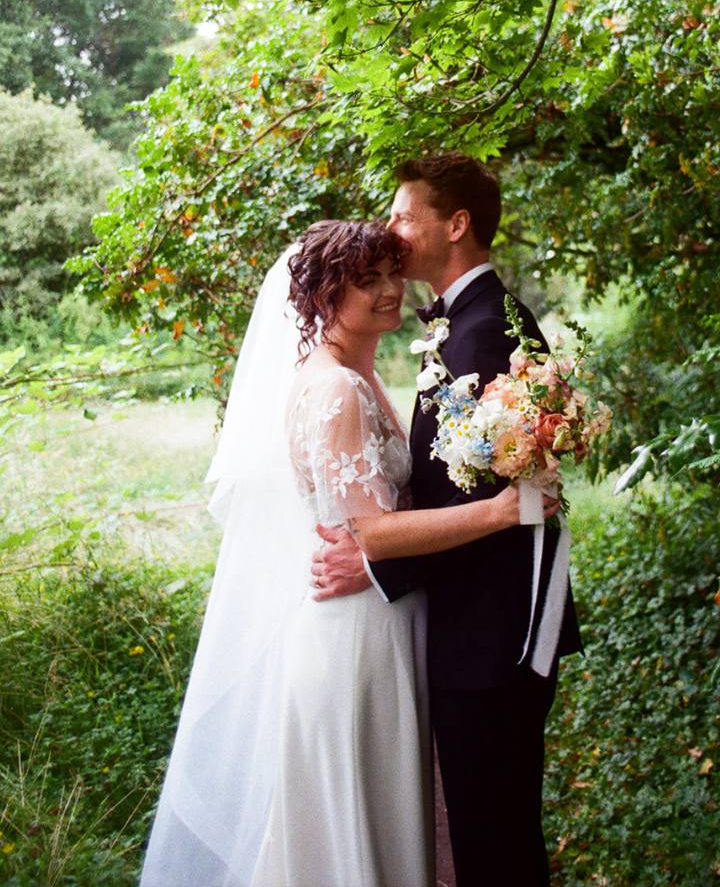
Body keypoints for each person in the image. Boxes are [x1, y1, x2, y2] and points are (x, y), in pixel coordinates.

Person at [139, 219, 552, 887]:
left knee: (383, 829)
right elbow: (376, 533)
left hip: (381, 626)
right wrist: (503, 510)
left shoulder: (354, 376)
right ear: (324, 297)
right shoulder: (334, 390)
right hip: (354, 644)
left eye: (393, 273)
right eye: (369, 282)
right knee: (356, 837)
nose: (393, 290)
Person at [312, 155, 582, 887]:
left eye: (403, 216)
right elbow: (457, 484)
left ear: (455, 225)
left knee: (494, 839)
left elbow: (487, 505)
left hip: (494, 636)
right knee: (492, 831)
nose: (391, 232)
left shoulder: (483, 332)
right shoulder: (469, 323)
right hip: (477, 628)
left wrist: (373, 560)